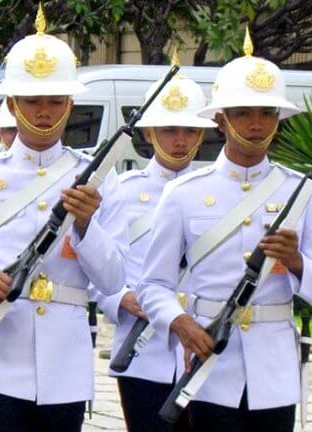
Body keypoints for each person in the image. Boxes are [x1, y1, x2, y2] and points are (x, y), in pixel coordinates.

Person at [0, 6, 127, 432]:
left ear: (70, 104)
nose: (44, 112)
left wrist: (87, 225)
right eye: (32, 101)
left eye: (55, 101)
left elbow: (112, 281)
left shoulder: (92, 179)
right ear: (12, 103)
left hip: (64, 364)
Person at [137, 29, 312, 432]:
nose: (256, 123)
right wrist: (180, 323)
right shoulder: (183, 194)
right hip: (211, 366)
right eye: (244, 111)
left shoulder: (302, 192)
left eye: (267, 113)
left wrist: (296, 262)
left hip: (274, 373)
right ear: (220, 119)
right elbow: (153, 285)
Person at [95, 51, 215, 432]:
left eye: (189, 131)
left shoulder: (214, 191)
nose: (180, 141)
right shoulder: (122, 191)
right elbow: (96, 265)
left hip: (201, 344)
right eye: (168, 130)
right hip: (142, 349)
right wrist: (120, 298)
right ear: (148, 133)